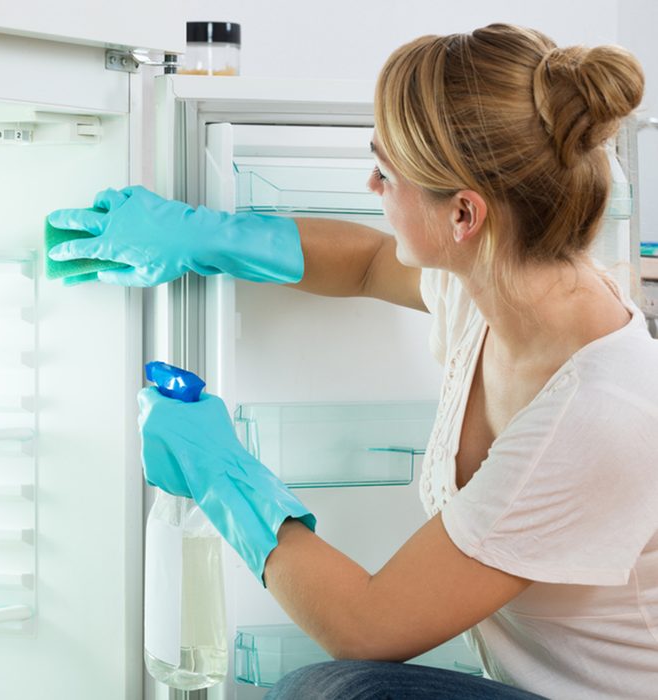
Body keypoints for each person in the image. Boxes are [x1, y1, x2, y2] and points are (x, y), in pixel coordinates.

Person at [47, 23, 658, 700]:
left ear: (463, 216)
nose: (371, 184)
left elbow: (365, 627)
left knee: (338, 691)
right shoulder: (499, 290)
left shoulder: (599, 412)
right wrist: (207, 237)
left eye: (386, 171)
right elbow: (369, 262)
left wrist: (220, 472)